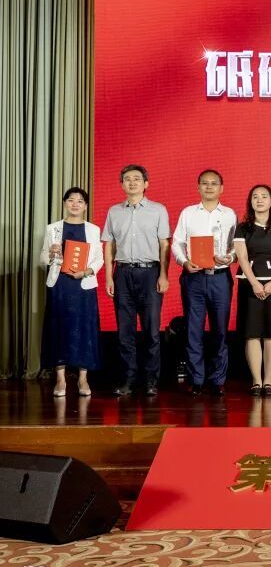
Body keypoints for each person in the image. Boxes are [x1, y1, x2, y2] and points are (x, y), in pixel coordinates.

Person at [102, 164, 171, 396]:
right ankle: (129, 380)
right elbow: (109, 245)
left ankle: (151, 381)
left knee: (152, 331)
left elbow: (164, 244)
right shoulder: (114, 211)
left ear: (146, 183)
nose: (132, 182)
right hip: (122, 273)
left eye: (137, 179)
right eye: (127, 179)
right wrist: (109, 276)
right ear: (122, 184)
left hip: (150, 273)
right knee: (125, 332)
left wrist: (163, 274)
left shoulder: (158, 210)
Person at [172, 169, 237, 396]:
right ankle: (196, 379)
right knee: (193, 329)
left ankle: (218, 379)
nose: (209, 187)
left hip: (220, 277)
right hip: (194, 278)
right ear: (198, 187)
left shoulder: (230, 214)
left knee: (220, 329)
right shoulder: (188, 213)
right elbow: (177, 242)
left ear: (221, 188)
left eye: (214, 183)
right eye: (205, 183)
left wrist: (230, 258)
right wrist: (184, 262)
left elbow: (236, 247)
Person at [41, 187, 103, 397]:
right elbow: (42, 257)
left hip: (83, 284)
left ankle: (83, 378)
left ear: (85, 206)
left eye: (80, 201)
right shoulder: (53, 228)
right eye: (71, 200)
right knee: (58, 327)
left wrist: (86, 272)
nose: (75, 204)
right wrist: (50, 254)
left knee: (84, 328)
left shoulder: (93, 229)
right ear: (65, 203)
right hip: (60, 284)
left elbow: (99, 258)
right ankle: (60, 379)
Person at [233, 184, 271, 396]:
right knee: (252, 333)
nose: (260, 200)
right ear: (250, 202)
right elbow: (242, 257)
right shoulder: (243, 228)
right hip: (249, 284)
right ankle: (256, 381)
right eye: (255, 196)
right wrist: (255, 283)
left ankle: (269, 381)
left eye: (264, 196)